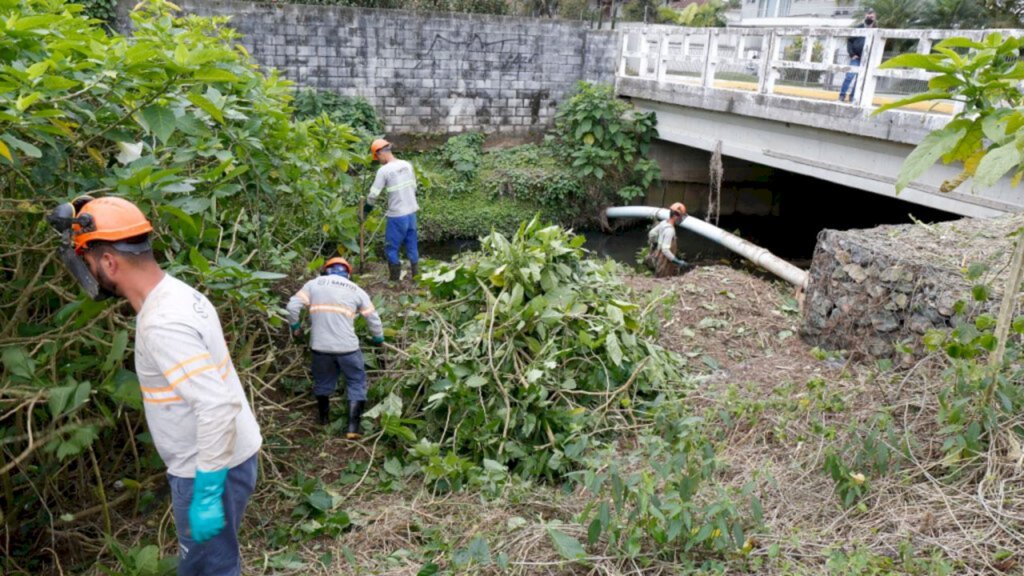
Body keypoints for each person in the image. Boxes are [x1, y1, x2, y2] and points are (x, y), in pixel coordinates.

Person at [46, 196, 262, 575]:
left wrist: (208, 490)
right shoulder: (177, 293)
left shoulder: (163, 322)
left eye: (89, 261)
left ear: (109, 261)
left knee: (207, 570)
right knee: (214, 563)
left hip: (209, 468)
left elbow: (216, 406)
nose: (89, 271)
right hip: (227, 456)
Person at [287, 257, 384, 439]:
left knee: (323, 382)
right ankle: (353, 429)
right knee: (356, 381)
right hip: (348, 348)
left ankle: (323, 421)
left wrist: (296, 328)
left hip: (320, 347)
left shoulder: (313, 284)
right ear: (348, 273)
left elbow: (292, 306)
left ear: (326, 270)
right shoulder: (357, 290)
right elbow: (373, 318)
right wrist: (378, 338)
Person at [364, 139, 420, 283]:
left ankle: (394, 281)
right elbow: (414, 187)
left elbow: (373, 195)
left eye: (378, 158)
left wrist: (365, 211)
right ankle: (416, 278)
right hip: (411, 213)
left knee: (391, 248)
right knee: (412, 246)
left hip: (397, 216)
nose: (379, 161)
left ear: (380, 153)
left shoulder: (384, 170)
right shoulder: (407, 165)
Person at [839, 9, 877, 103]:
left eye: (871, 17)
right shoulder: (859, 28)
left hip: (867, 59)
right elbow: (850, 41)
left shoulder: (876, 30)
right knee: (849, 76)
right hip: (856, 58)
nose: (869, 18)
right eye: (868, 16)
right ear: (865, 16)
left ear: (875, 18)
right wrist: (852, 54)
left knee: (859, 79)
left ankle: (852, 97)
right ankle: (842, 96)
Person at [645, 202, 690, 277]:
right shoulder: (670, 230)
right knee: (663, 275)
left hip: (658, 253)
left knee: (658, 270)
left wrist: (655, 244)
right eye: (681, 217)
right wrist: (677, 262)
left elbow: (651, 233)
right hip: (665, 259)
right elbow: (665, 250)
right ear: (676, 216)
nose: (681, 219)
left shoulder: (664, 222)